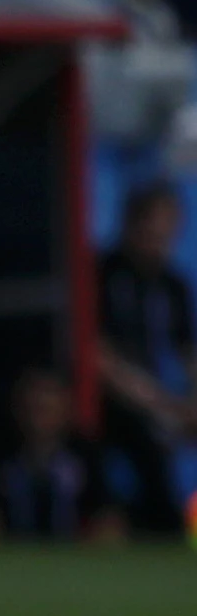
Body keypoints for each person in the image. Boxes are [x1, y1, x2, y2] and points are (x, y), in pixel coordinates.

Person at [92, 181, 192, 536]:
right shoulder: (102, 274)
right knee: (144, 443)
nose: (157, 243)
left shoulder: (173, 285)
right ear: (129, 225)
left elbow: (187, 352)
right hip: (112, 400)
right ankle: (161, 524)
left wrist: (190, 406)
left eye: (165, 233)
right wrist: (160, 404)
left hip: (156, 402)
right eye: (149, 231)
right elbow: (97, 356)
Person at [0, 366, 122, 546]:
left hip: (74, 558)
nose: (39, 419)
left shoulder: (88, 455)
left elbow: (109, 517)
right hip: (11, 558)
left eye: (47, 409)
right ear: (18, 409)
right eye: (33, 409)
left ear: (67, 410)